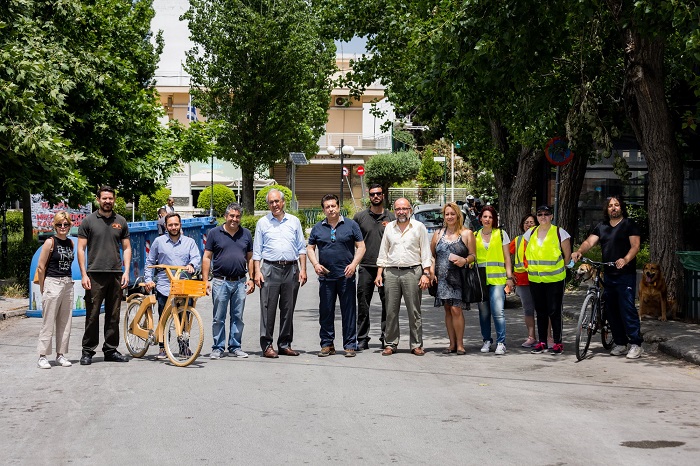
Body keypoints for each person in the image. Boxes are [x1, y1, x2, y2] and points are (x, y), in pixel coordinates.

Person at [572, 195, 643, 359]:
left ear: (621, 207)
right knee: (611, 310)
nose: (613, 208)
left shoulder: (629, 225)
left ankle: (636, 344)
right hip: (609, 274)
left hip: (625, 274)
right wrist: (579, 252)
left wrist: (625, 259)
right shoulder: (602, 226)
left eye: (616, 205)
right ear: (607, 209)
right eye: (610, 205)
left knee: (627, 309)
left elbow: (635, 246)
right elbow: (589, 242)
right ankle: (620, 343)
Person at [77, 186, 131, 365]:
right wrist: (84, 274)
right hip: (94, 275)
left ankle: (110, 349)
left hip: (115, 274)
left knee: (113, 314)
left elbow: (127, 248)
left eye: (110, 198)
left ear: (114, 199)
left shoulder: (121, 221)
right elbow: (81, 248)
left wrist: (127, 271)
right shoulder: (88, 221)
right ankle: (87, 351)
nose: (107, 201)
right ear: (98, 199)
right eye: (104, 198)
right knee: (92, 315)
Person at [307, 194, 366, 357]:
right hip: (326, 277)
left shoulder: (351, 225)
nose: (331, 209)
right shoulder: (318, 228)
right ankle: (327, 344)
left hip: (346, 276)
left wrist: (353, 265)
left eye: (333, 206)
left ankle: (349, 345)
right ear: (323, 209)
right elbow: (310, 248)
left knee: (348, 311)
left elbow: (361, 247)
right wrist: (315, 264)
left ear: (339, 207)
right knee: (326, 311)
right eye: (327, 207)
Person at [253, 189, 307, 358]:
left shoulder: (294, 221)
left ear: (283, 202)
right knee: (267, 309)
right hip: (269, 269)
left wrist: (303, 269)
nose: (274, 205)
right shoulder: (262, 223)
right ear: (268, 204)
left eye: (277, 201)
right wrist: (256, 272)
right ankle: (267, 345)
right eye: (271, 202)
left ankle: (284, 343)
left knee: (288, 308)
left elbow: (301, 247)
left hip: (291, 269)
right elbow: (257, 250)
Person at [375, 198, 432, 356]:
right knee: (391, 310)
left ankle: (416, 344)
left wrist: (426, 274)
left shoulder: (419, 227)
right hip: (391, 272)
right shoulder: (389, 228)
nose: (401, 212)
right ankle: (390, 343)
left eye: (404, 209)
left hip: (412, 272)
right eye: (398, 209)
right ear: (394, 211)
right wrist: (379, 274)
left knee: (414, 311)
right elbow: (383, 252)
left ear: (410, 210)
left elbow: (426, 252)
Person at [145, 212, 202, 360]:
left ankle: (184, 346)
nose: (173, 227)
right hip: (165, 285)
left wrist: (191, 265)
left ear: (180, 225)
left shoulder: (189, 242)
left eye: (176, 224)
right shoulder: (159, 242)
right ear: (166, 226)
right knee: (164, 316)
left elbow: (196, 257)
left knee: (185, 315)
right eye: (170, 225)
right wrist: (149, 280)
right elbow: (150, 262)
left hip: (183, 285)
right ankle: (163, 347)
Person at [202, 203, 255, 359]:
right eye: (231, 216)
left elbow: (250, 258)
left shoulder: (246, 234)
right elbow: (206, 257)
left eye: (237, 216)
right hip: (220, 281)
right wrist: (205, 281)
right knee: (219, 316)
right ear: (225, 216)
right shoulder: (214, 233)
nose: (234, 219)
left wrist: (251, 278)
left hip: (240, 281)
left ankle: (235, 346)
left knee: (237, 316)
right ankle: (217, 347)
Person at [429, 203, 476, 355]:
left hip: (458, 278)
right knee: (448, 310)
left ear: (458, 216)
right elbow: (432, 256)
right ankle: (452, 344)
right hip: (442, 278)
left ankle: (460, 344)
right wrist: (431, 271)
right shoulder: (438, 234)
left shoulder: (467, 233)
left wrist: (465, 261)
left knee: (456, 309)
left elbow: (473, 256)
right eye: (447, 214)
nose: (449, 217)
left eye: (452, 214)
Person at [353, 183, 395, 349]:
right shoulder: (359, 217)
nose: (376, 196)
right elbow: (353, 241)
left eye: (378, 193)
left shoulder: (391, 218)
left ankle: (386, 337)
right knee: (363, 304)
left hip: (387, 268)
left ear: (383, 195)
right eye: (372, 194)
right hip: (366, 267)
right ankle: (362, 338)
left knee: (388, 304)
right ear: (369, 196)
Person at [525, 205, 572, 355]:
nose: (543, 217)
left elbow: (567, 256)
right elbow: (527, 253)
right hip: (535, 279)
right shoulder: (530, 233)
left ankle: (557, 342)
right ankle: (542, 342)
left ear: (551, 216)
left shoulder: (560, 233)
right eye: (540, 214)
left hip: (555, 279)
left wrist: (559, 270)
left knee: (554, 311)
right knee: (541, 311)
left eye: (546, 214)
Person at [35, 211, 75, 369]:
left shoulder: (70, 243)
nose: (63, 227)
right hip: (53, 282)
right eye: (59, 224)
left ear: (70, 225)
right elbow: (40, 266)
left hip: (67, 283)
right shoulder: (50, 242)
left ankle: (60, 354)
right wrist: (44, 287)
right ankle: (42, 356)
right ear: (54, 226)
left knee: (65, 322)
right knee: (48, 321)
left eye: (66, 224)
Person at [474, 206, 513, 355]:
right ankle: (487, 340)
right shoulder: (475, 234)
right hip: (481, 279)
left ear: (494, 219)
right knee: (483, 312)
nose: (487, 219)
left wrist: (509, 278)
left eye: (490, 217)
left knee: (498, 311)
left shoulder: (501, 234)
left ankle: (501, 342)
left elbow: (507, 257)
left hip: (497, 278)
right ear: (480, 218)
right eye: (485, 217)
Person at [510, 214, 538, 347]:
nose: (529, 225)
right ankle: (531, 337)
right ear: (522, 225)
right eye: (526, 222)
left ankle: (548, 338)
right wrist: (509, 274)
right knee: (528, 309)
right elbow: (504, 254)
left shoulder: (542, 239)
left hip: (540, 279)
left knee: (544, 310)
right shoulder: (518, 240)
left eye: (532, 222)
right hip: (523, 280)